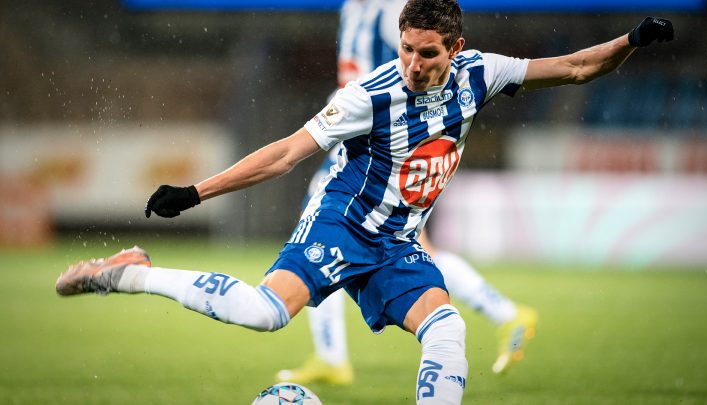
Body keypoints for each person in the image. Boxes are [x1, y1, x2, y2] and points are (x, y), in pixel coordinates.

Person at [56, 1, 674, 402]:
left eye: (425, 52)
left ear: (453, 49)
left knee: (447, 329)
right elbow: (285, 153)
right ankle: (133, 275)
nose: (411, 63)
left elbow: (572, 69)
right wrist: (196, 192)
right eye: (405, 48)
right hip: (344, 223)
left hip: (398, 244)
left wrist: (631, 39)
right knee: (265, 314)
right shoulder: (368, 95)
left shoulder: (484, 72)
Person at [275, 0, 537, 386]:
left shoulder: (392, 8)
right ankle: (331, 356)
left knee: (381, 241)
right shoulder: (355, 7)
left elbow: (417, 57)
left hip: (386, 130)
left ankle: (504, 312)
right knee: (331, 231)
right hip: (354, 124)